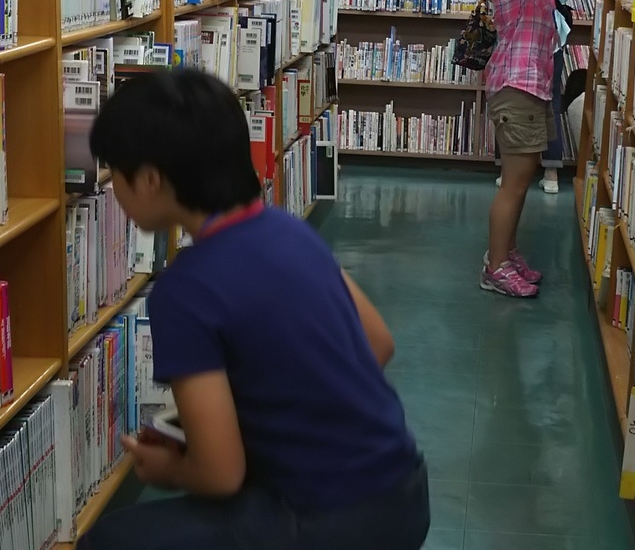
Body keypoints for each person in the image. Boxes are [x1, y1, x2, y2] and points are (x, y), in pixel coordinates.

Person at [79, 68, 429, 550]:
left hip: (328, 521)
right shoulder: (290, 231)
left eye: (114, 174)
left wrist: (171, 467)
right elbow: (379, 344)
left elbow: (221, 475)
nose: (112, 189)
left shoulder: (184, 290)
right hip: (405, 496)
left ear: (150, 179)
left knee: (111, 540)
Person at [474, 0, 619, 297]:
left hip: (529, 87)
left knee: (524, 177)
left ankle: (507, 253)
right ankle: (495, 266)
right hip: (515, 89)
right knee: (515, 183)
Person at [485, 0, 573, 195]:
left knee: (517, 187)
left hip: (529, 78)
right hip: (517, 83)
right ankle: (498, 247)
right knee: (513, 188)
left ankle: (504, 246)